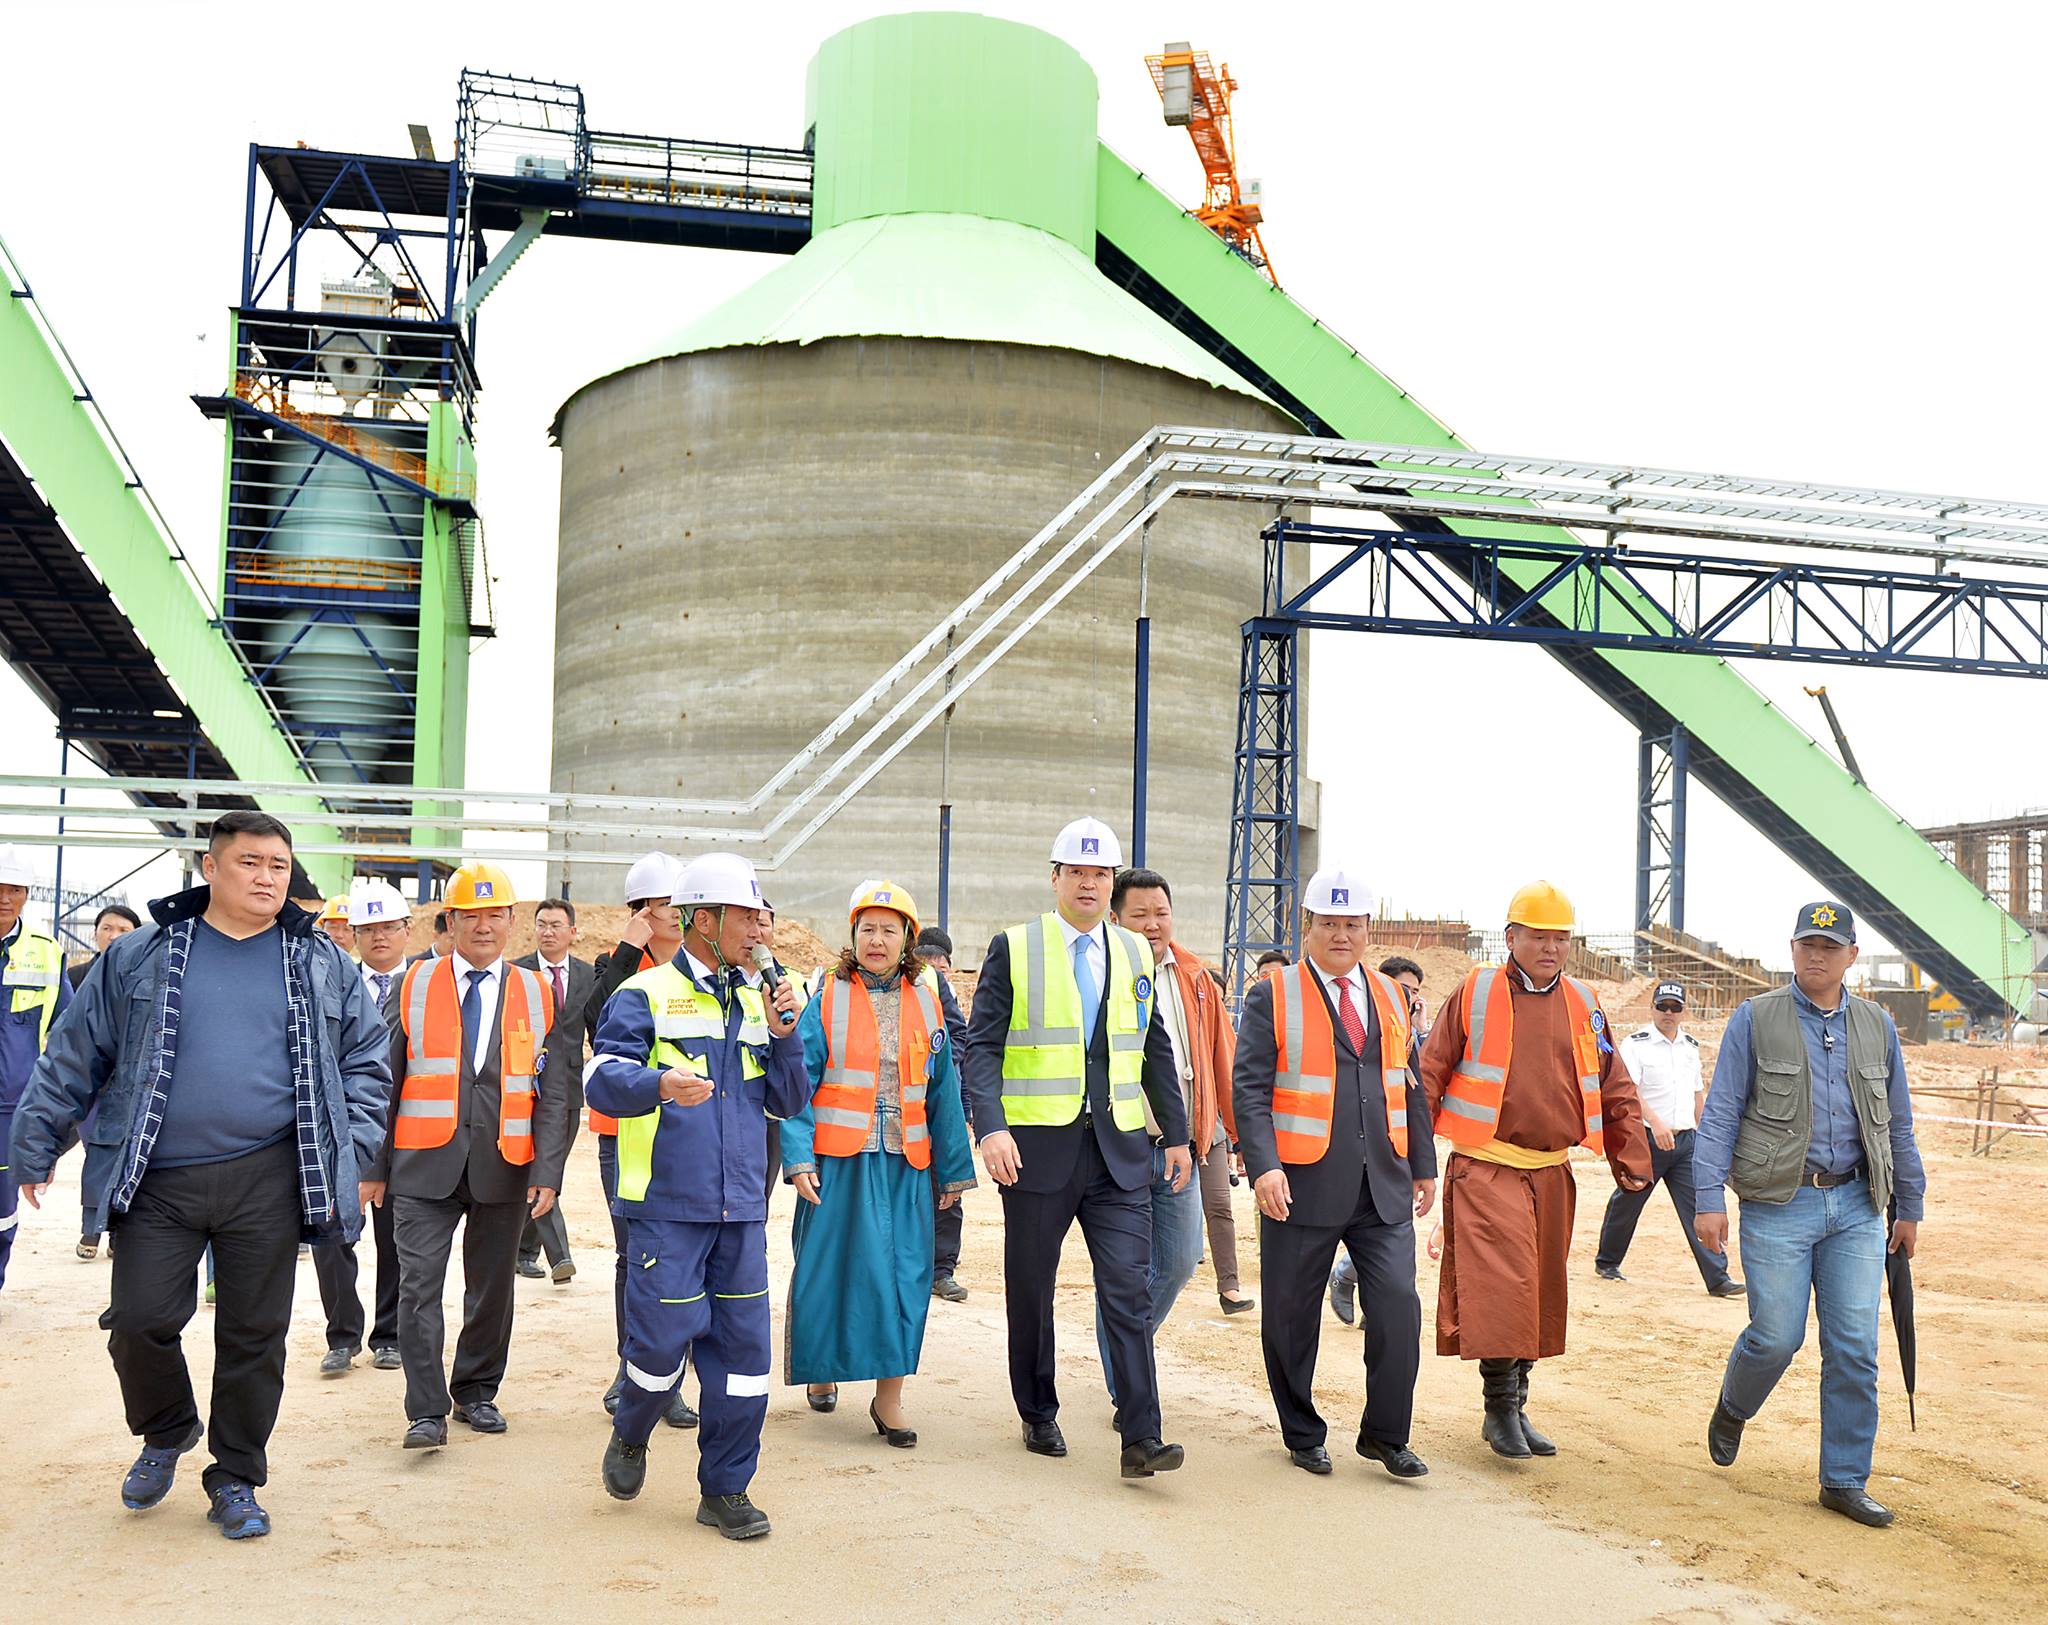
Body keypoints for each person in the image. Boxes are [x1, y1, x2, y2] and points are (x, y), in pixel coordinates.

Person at [11, 812, 389, 1540]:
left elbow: (366, 1063)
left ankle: (236, 1476)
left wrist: (352, 1145)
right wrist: (38, 1141)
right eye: (250, 862)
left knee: (255, 1336)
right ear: (210, 868)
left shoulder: (320, 960)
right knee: (139, 1321)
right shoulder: (144, 954)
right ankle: (168, 1429)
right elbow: (76, 1050)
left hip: (270, 1177)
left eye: (279, 866)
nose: (267, 878)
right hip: (158, 1176)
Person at [587, 851, 808, 1538]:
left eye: (762, 916)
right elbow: (601, 1079)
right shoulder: (644, 993)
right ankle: (632, 1431)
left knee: (744, 1363)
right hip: (667, 1209)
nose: (760, 929)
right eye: (746, 916)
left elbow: (789, 1100)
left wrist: (786, 1037)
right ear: (703, 920)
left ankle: (726, 1488)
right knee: (659, 1348)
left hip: (741, 1212)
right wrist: (658, 1084)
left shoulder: (765, 999)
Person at [962, 816, 1190, 1480]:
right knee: (1032, 1287)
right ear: (1055, 877)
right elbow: (983, 1046)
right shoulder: (1015, 946)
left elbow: (1152, 1046)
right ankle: (1037, 1410)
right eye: (1077, 872)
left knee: (1128, 1289)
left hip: (1119, 1152)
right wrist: (991, 1127)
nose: (1089, 883)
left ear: (1111, 882)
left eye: (1100, 873)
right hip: (1036, 1150)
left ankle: (1142, 1434)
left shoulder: (1135, 951)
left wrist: (1176, 1134)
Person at [1693, 901, 1928, 1528]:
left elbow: (1898, 1124)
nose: (1817, 955)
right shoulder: (1755, 1018)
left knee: (1854, 1347)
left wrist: (1909, 1205)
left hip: (1857, 1206)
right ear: (1792, 950)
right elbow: (1720, 1112)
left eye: (1829, 946)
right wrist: (1707, 1198)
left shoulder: (1877, 1026)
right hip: (1780, 1203)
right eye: (1807, 945)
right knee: (1776, 1336)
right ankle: (1735, 1404)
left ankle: (1844, 1479)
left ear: (1852, 955)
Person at [1418, 880, 1651, 1459]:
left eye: (1561, 938)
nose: (1551, 948)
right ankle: (1499, 1407)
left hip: (1551, 1171)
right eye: (1538, 936)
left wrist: (1631, 1155)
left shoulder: (1584, 1002)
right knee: (1507, 1288)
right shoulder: (1475, 992)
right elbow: (1430, 1072)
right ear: (1510, 938)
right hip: (1487, 1166)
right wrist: (1414, 1157)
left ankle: (1518, 1403)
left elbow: (1613, 1082)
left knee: (1541, 1290)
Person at [366, 861, 574, 1451]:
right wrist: (373, 1167)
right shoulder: (414, 982)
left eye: (494, 916)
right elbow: (385, 1079)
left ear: (511, 922)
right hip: (421, 1164)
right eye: (471, 916)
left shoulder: (536, 991)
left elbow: (554, 1090)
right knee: (418, 1288)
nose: (483, 927)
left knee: (492, 1291)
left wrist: (547, 1170)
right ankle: (425, 1409)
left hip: (504, 1163)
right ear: (450, 921)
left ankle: (477, 1392)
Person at [1234, 869, 1434, 1477]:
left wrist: (1423, 1165)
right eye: (1329, 924)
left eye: (1352, 924)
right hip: (1301, 1184)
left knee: (1398, 1306)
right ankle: (1302, 1432)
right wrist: (1264, 1167)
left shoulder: (1392, 996)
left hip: (1383, 1182)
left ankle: (1386, 1435)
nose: (1341, 934)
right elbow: (1250, 1090)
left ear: (1368, 928)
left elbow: (1409, 1083)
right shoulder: (1273, 995)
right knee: (1291, 1317)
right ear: (1308, 926)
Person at [781, 881, 975, 1443]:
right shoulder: (827, 996)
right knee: (828, 1272)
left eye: (890, 930)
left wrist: (953, 1169)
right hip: (838, 1164)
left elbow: (942, 1089)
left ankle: (889, 1398)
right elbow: (797, 1083)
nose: (877, 939)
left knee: (905, 1278)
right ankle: (822, 1370)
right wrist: (798, 1157)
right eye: (868, 929)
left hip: (906, 1165)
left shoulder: (927, 1000)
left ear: (908, 940)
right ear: (853, 935)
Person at [1107, 865, 1248, 1371]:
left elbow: (1221, 1059)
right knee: (1124, 1270)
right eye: (1139, 914)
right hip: (1119, 1145)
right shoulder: (1101, 972)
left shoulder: (1195, 977)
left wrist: (1236, 1135)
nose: (1152, 924)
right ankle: (1129, 1374)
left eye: (1161, 913)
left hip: (1181, 1146)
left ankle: (1126, 1347)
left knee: (1181, 1260)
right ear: (1115, 919)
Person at [584, 852, 698, 1430]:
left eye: (681, 903)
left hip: (692, 1133)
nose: (674, 913)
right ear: (639, 912)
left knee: (688, 1259)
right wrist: (628, 951)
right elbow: (595, 1022)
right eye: (661, 904)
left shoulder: (706, 969)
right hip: (628, 1137)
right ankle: (634, 1372)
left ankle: (669, 1374)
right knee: (637, 1256)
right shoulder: (617, 967)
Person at [310, 880, 411, 1374]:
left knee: (397, 1244)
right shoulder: (331, 983)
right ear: (353, 934)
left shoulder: (426, 988)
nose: (379, 937)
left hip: (407, 1139)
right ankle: (342, 1335)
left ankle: (389, 1335)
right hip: (341, 1134)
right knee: (331, 1239)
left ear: (407, 929)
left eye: (388, 927)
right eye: (368, 929)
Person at [1593, 981, 1742, 1296]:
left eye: (1675, 1007)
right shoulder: (1636, 1045)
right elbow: (1630, 1091)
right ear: (1652, 1008)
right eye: (1663, 1006)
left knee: (1699, 1206)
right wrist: (1656, 1123)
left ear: (1684, 1011)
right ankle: (1607, 1262)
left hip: (1686, 1143)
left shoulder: (1690, 1046)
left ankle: (1718, 1278)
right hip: (1648, 1140)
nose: (1669, 1013)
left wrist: (1707, 1135)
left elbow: (1696, 1094)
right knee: (1629, 1200)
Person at [1329, 954, 1431, 1325]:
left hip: (1388, 1163)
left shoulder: (1405, 1029)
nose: (1409, 998)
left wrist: (1424, 1168)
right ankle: (1344, 1276)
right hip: (1329, 1162)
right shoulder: (1345, 1015)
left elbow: (1415, 1097)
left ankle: (1364, 1296)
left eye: (1415, 992)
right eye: (1404, 989)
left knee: (1394, 1278)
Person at [1, 844, 73, 1298]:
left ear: (27, 895)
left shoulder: (46, 954)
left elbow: (66, 1034)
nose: (5, 898)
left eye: (15, 889)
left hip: (12, 1106)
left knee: (1, 1207)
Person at [514, 897, 594, 1285]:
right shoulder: (516, 973)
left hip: (570, 1088)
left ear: (572, 932)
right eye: (541, 924)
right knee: (538, 1166)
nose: (548, 932)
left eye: (556, 925)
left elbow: (597, 1028)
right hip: (523, 1087)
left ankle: (523, 1251)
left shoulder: (587, 975)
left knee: (550, 1167)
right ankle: (559, 1256)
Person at [914, 925, 975, 1302]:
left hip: (937, 1104)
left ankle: (941, 1271)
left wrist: (937, 1070)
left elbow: (959, 1038)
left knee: (947, 1186)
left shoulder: (935, 984)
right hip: (892, 1107)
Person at [65, 902, 141, 990]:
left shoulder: (145, 978)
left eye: (124, 930)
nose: (114, 937)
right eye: (106, 929)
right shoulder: (75, 975)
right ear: (95, 933)